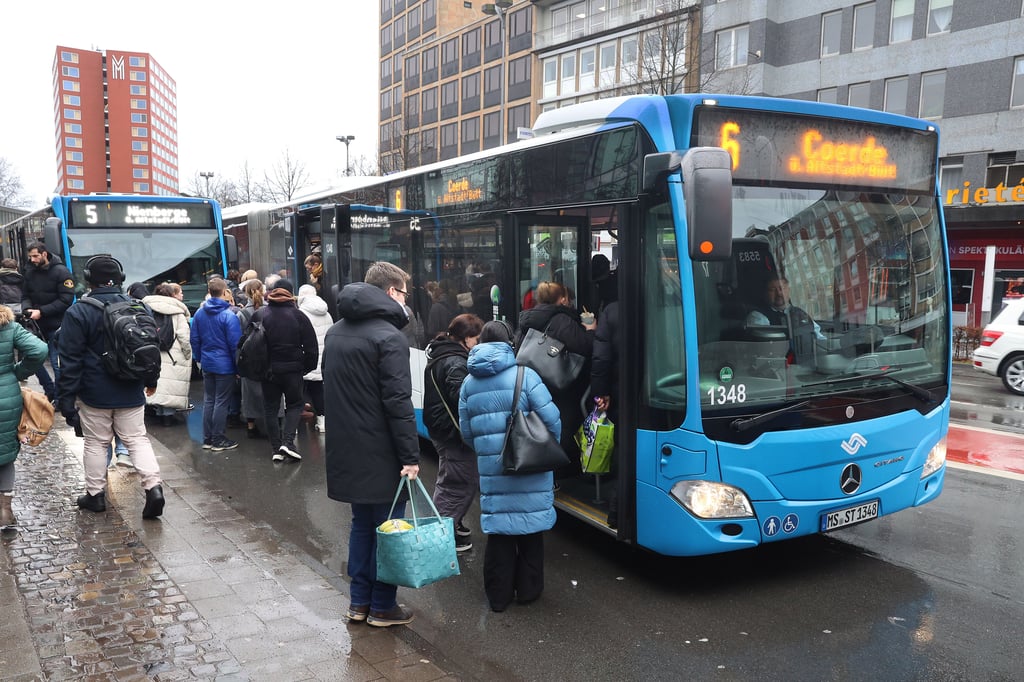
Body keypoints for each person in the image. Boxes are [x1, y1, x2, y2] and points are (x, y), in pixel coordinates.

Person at [323, 261, 420, 628]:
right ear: (392, 292)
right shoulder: (390, 337)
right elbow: (398, 402)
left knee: (362, 526)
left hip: (346, 447)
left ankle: (358, 603)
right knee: (390, 529)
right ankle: (382, 606)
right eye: (404, 293)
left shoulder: (335, 332)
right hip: (382, 452)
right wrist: (410, 456)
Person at [459, 319, 560, 612]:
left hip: (494, 468)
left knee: (500, 534)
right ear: (509, 344)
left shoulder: (468, 383)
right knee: (530, 531)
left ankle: (499, 596)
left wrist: (489, 451)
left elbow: (467, 433)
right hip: (529, 465)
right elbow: (552, 421)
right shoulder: (525, 376)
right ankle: (528, 591)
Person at [55, 255, 165, 520]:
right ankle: (153, 488)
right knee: (137, 439)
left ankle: (95, 496)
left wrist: (66, 399)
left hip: (94, 393)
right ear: (121, 278)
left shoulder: (79, 311)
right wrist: (150, 381)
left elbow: (69, 361)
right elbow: (148, 350)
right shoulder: (138, 307)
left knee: (96, 443)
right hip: (130, 388)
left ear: (88, 279)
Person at [516, 281, 596, 463]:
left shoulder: (528, 316)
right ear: (562, 299)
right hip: (558, 381)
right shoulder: (562, 320)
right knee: (564, 422)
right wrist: (591, 330)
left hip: (534, 378)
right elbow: (584, 346)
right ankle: (561, 466)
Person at [423, 313, 483, 553]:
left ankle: (451, 522)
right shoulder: (456, 362)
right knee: (457, 482)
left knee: (455, 477)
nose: (479, 343)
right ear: (467, 339)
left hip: (442, 427)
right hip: (451, 431)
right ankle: (442, 535)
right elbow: (462, 399)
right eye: (477, 339)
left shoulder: (443, 352)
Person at [254, 278, 318, 462]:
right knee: (295, 405)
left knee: (270, 409)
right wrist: (306, 368)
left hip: (269, 371)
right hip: (293, 371)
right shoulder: (299, 316)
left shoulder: (260, 315)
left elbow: (247, 344)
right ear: (291, 294)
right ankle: (288, 442)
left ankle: (276, 449)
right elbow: (311, 347)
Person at [0, 304, 49, 528]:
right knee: (5, 455)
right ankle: (4, 512)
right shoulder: (7, 323)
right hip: (6, 394)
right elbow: (39, 350)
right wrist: (17, 372)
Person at [190, 278, 242, 451]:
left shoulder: (199, 313)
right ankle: (218, 438)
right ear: (224, 291)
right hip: (225, 364)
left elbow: (195, 339)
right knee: (221, 401)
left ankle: (208, 438)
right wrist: (237, 368)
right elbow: (235, 344)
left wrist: (199, 359)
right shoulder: (228, 315)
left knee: (209, 400)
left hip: (207, 362)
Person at [20, 241, 75, 400]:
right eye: (30, 257)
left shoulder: (61, 272)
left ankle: (58, 398)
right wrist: (27, 309)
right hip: (34, 325)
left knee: (56, 362)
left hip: (56, 325)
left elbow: (66, 300)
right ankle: (49, 389)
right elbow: (25, 296)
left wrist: (41, 311)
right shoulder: (29, 271)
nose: (33, 260)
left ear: (44, 254)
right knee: (31, 359)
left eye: (36, 256)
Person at [143, 283, 192, 426]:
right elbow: (183, 336)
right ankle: (167, 417)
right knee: (170, 385)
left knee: (157, 382)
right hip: (173, 354)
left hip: (151, 351)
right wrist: (187, 353)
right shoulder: (177, 312)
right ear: (171, 295)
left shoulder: (146, 309)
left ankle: (156, 410)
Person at [746, 276, 824, 365]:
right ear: (765, 293)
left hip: (808, 368)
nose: (779, 293)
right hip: (774, 369)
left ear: (788, 291)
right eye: (773, 289)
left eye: (782, 288)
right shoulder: (758, 316)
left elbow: (820, 340)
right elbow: (763, 349)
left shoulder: (801, 314)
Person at [237, 278, 271, 439]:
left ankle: (251, 426)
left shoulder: (242, 313)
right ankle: (275, 422)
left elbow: (239, 340)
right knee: (272, 390)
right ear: (262, 291)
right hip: (268, 356)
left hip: (250, 357)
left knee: (249, 392)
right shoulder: (271, 310)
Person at [297, 284, 332, 433]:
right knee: (318, 391)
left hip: (305, 359)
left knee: (298, 391)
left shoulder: (300, 314)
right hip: (322, 359)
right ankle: (322, 421)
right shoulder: (327, 313)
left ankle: (297, 424)